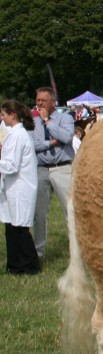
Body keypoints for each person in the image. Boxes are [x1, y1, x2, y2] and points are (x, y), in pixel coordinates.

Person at [32, 87, 75, 260]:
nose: (39, 103)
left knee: (70, 212)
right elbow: (33, 145)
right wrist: (51, 143)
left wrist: (48, 122)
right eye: (37, 100)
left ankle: (76, 253)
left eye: (43, 100)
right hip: (41, 169)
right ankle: (38, 253)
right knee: (38, 214)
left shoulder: (65, 118)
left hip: (62, 168)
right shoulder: (34, 123)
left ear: (52, 102)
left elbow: (66, 138)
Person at [1, 100, 40, 275]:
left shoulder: (18, 135)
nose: (2, 118)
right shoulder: (15, 134)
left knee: (20, 229)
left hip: (20, 187)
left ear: (12, 115)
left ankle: (29, 266)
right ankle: (15, 265)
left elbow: (11, 165)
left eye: (3, 115)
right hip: (13, 187)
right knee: (12, 227)